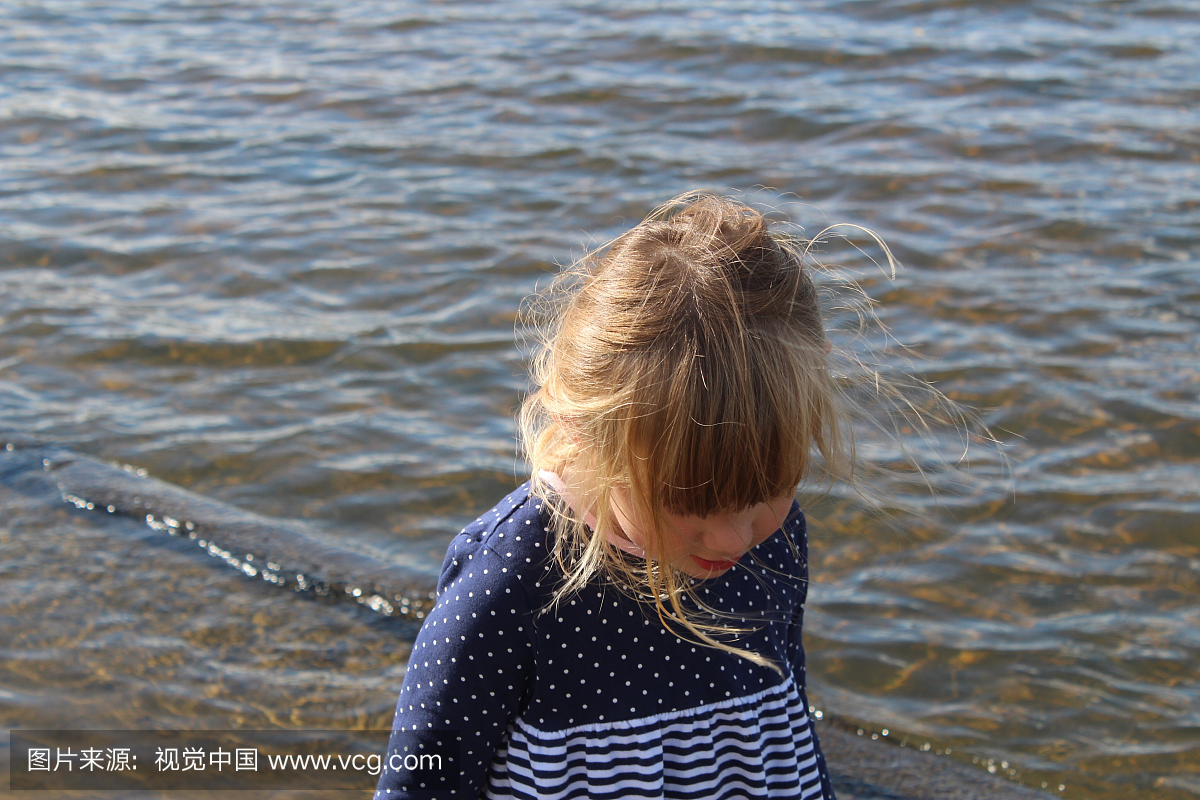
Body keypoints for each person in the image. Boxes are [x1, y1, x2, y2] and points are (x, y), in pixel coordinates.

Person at [376, 192, 864, 799]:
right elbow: (423, 781)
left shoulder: (780, 537)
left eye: (768, 489)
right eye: (689, 502)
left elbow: (787, 722)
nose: (735, 536)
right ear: (586, 435)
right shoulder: (511, 584)